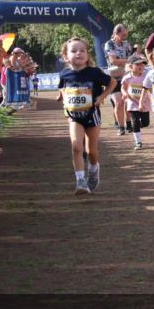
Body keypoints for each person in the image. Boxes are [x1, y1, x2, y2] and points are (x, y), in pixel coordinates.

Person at [58, 37, 114, 195]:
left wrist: (102, 97)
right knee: (76, 147)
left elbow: (113, 83)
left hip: (92, 115)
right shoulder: (65, 74)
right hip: (74, 116)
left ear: (87, 55)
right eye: (74, 51)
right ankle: (81, 181)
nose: (78, 53)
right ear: (66, 56)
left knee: (92, 151)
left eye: (82, 50)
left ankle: (94, 168)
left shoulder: (94, 72)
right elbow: (62, 87)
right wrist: (64, 100)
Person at [104, 23, 133, 135]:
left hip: (127, 76)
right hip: (114, 78)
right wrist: (128, 60)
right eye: (123, 34)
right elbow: (113, 61)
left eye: (126, 34)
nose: (125, 37)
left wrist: (130, 60)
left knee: (128, 102)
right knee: (119, 103)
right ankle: (121, 127)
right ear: (116, 33)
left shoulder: (127, 44)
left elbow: (132, 58)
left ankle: (129, 123)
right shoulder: (109, 44)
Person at [120, 55, 151, 150]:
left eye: (142, 64)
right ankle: (138, 142)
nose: (141, 66)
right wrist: (124, 93)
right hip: (132, 103)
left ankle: (136, 126)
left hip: (145, 103)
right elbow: (123, 87)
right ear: (130, 66)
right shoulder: (127, 78)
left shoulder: (146, 76)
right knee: (135, 121)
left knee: (146, 123)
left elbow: (150, 87)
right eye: (137, 64)